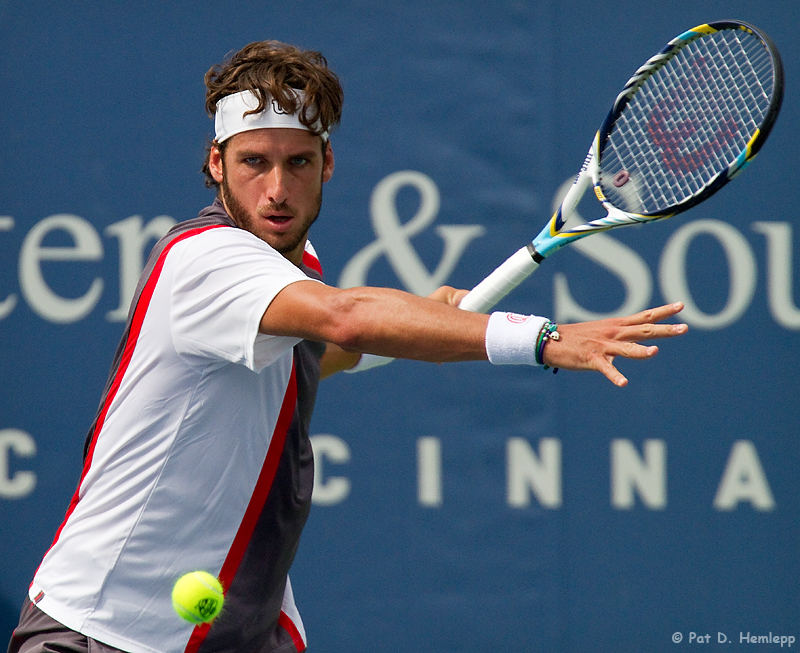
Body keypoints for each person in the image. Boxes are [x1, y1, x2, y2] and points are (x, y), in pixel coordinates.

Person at [8, 41, 688, 653]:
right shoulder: (205, 257)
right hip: (99, 631)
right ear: (216, 163)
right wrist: (544, 338)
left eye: (297, 162)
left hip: (234, 628)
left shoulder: (291, 267)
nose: (277, 190)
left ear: (327, 162)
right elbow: (345, 320)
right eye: (254, 163)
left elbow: (322, 355)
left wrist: (429, 321)